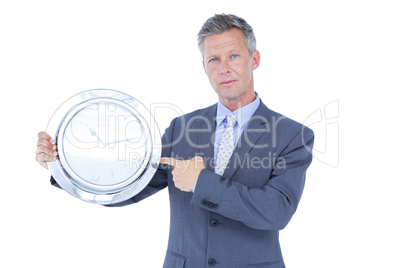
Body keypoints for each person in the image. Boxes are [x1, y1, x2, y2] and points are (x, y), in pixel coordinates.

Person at [36, 14, 314, 268]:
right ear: (204, 67)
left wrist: (199, 182)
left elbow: (277, 212)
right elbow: (130, 186)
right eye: (214, 59)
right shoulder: (182, 128)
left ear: (254, 59)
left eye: (234, 56)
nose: (224, 68)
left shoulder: (292, 136)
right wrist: (65, 165)